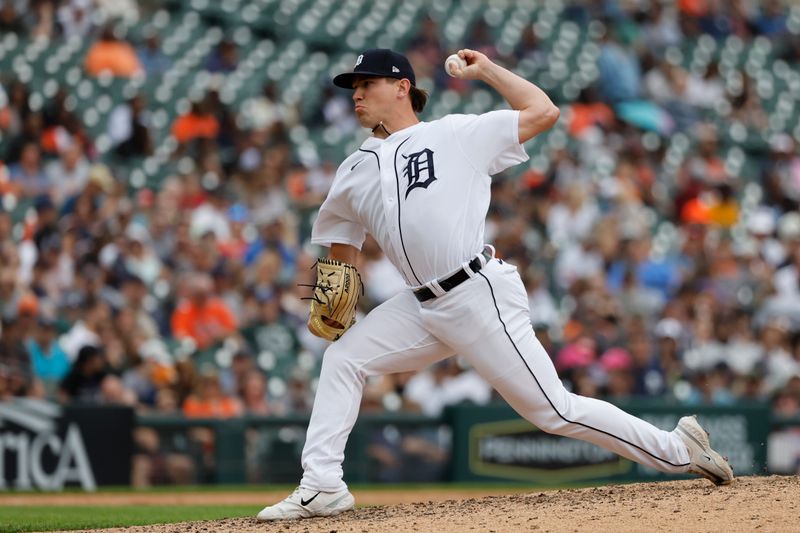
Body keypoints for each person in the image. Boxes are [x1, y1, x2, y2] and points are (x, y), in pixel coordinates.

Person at [257, 48, 733, 521]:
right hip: (420, 305)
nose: (356, 95)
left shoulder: (455, 133)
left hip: (476, 292)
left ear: (402, 87)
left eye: (367, 84)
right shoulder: (353, 169)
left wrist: (485, 70)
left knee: (554, 412)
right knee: (343, 358)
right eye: (353, 88)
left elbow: (543, 111)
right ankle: (321, 485)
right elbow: (343, 246)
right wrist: (337, 291)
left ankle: (678, 448)